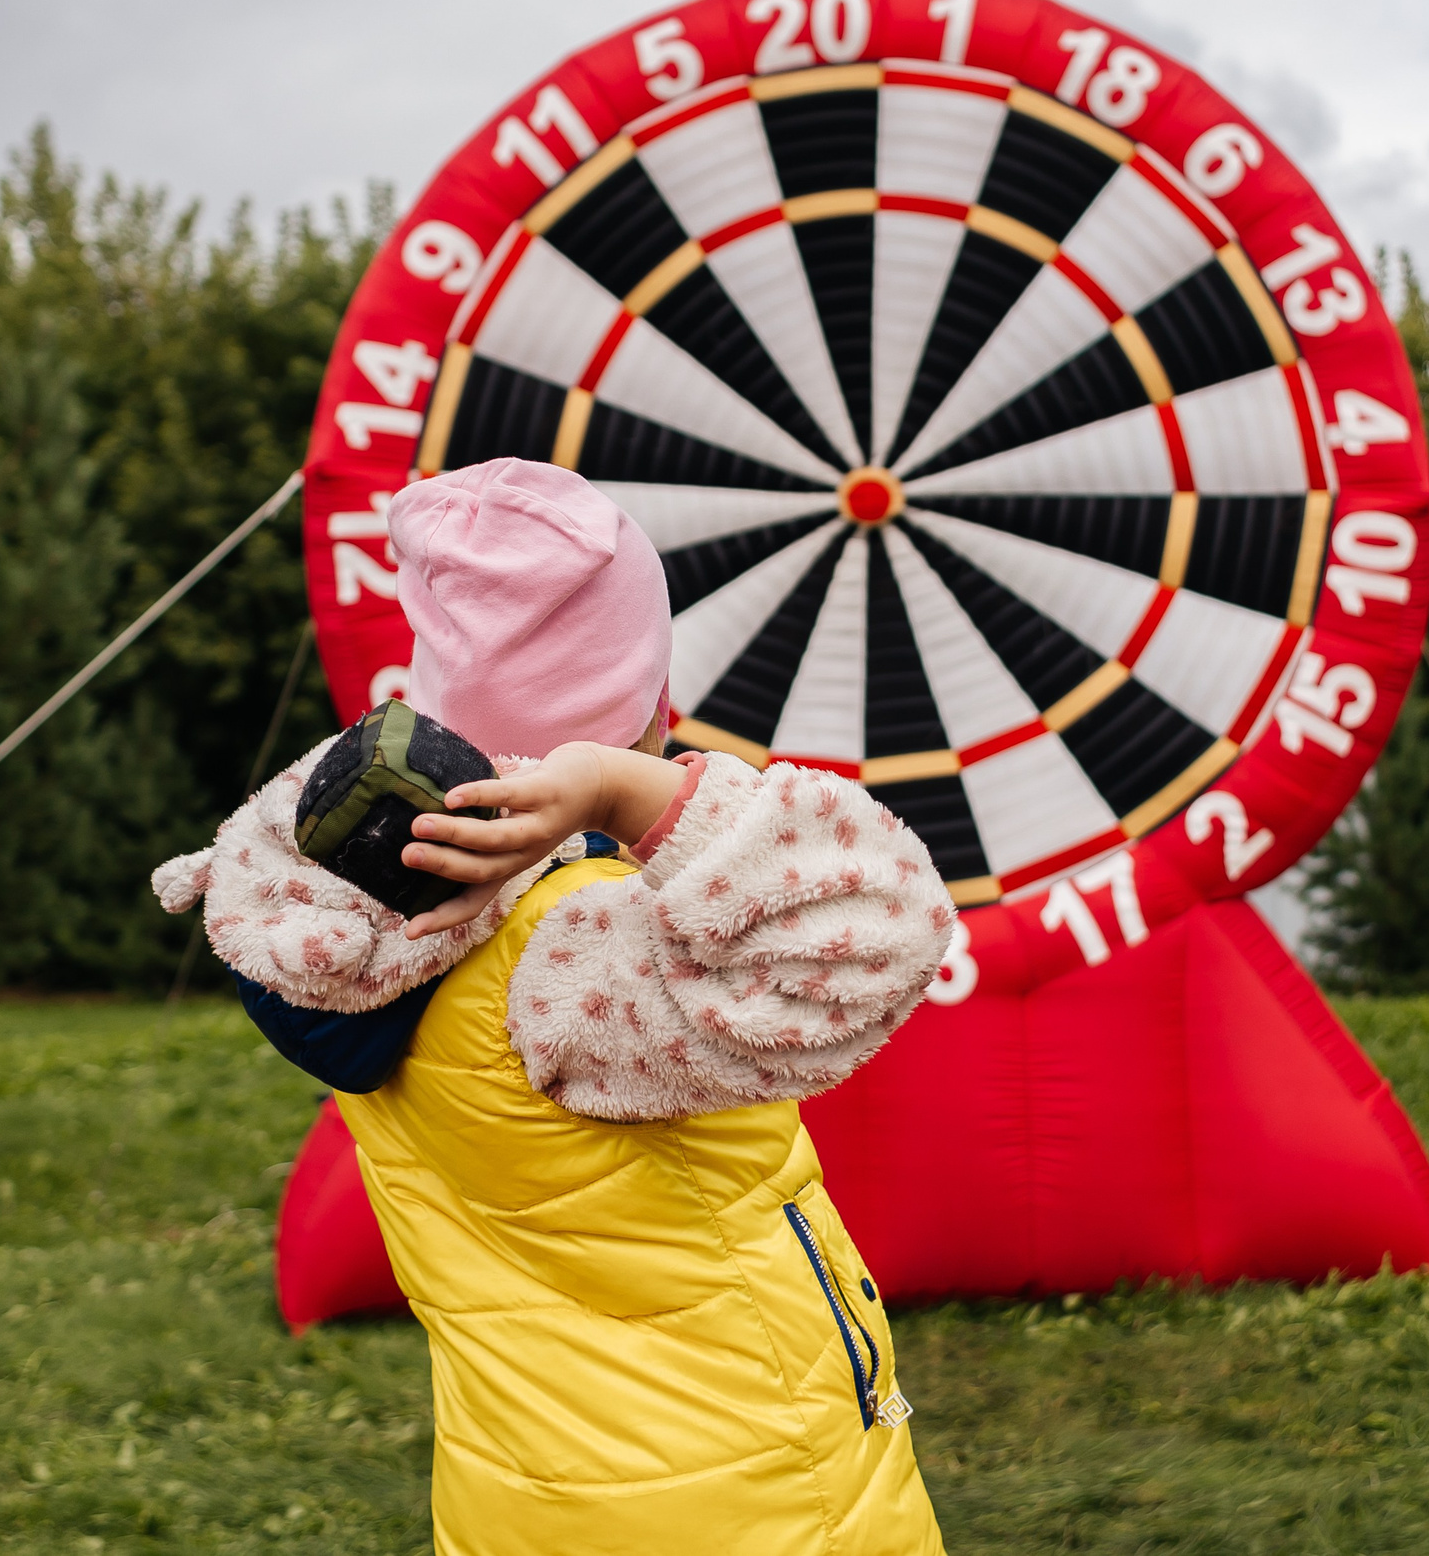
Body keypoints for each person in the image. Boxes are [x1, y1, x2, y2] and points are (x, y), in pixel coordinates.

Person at [154, 457, 952, 1556]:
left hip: (515, 1501)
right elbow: (881, 925)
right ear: (645, 708)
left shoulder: (334, 902)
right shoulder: (580, 950)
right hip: (747, 1499)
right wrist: (639, 796)